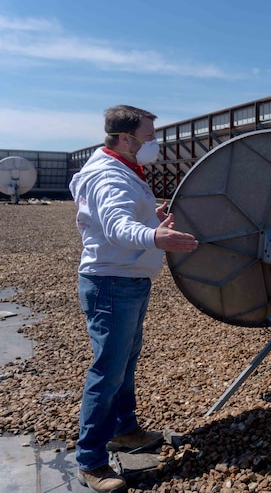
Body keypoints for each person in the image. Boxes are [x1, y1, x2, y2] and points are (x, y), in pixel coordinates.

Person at [69, 105, 199, 493]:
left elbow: (124, 216)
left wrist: (151, 217)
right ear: (125, 138)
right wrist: (154, 236)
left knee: (124, 360)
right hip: (112, 283)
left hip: (125, 279)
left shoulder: (119, 166)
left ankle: (124, 430)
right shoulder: (109, 175)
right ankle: (90, 462)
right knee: (107, 371)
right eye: (149, 136)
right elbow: (115, 226)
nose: (154, 143)